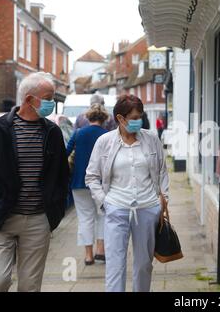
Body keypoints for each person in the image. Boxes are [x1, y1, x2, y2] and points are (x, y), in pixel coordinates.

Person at [86, 94, 169, 292]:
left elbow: (163, 171)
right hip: (116, 208)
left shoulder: (151, 139)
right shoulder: (104, 141)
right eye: (133, 118)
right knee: (115, 265)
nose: (138, 121)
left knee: (143, 265)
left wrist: (163, 200)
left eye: (140, 116)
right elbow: (91, 176)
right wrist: (105, 203)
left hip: (148, 208)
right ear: (120, 119)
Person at [0, 72, 69, 292]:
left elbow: (62, 174)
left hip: (38, 220)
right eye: (48, 98)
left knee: (29, 286)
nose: (52, 103)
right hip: (2, 218)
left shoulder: (52, 131)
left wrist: (55, 210)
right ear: (29, 99)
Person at [67, 104, 108, 265]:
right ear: (104, 118)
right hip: (102, 183)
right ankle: (101, 251)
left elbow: (65, 152)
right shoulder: (108, 135)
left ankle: (88, 255)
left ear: (88, 117)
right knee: (102, 216)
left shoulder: (78, 133)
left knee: (85, 219)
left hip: (79, 182)